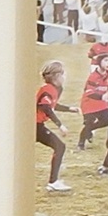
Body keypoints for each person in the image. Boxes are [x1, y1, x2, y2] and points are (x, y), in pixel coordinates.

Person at [35, 61, 73, 192]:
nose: (65, 76)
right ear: (56, 76)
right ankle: (53, 182)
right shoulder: (48, 89)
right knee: (60, 146)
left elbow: (52, 105)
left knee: (59, 146)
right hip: (34, 126)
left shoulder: (54, 89)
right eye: (63, 74)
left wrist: (69, 109)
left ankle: (54, 181)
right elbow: (46, 107)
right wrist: (60, 125)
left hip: (36, 125)